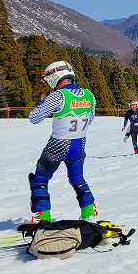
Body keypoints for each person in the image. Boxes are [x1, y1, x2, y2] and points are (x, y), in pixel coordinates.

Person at [28, 61, 97, 222]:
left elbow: (34, 118)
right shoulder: (89, 95)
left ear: (55, 77)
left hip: (58, 145)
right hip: (79, 144)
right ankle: (89, 211)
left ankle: (42, 216)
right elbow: (91, 118)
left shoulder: (58, 96)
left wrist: (44, 101)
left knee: (40, 179)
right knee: (77, 178)